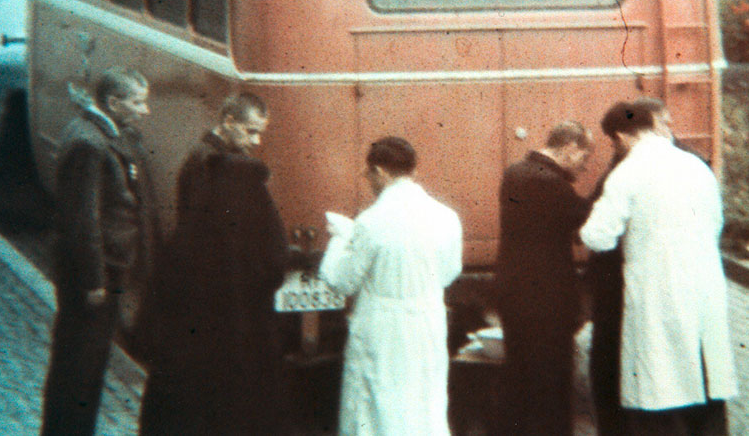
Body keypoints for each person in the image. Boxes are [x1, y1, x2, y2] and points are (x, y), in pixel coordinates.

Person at [136, 92, 292, 435]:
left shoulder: (210, 157)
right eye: (250, 131)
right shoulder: (209, 164)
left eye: (260, 132)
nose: (256, 141)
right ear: (229, 122)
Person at [580, 101, 737, 436]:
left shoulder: (628, 172)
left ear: (622, 136)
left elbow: (597, 237)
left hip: (657, 294)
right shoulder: (696, 166)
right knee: (705, 385)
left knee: (663, 387)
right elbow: (715, 223)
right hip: (704, 288)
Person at [320, 137, 463, 436]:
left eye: (369, 173)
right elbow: (448, 274)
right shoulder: (446, 217)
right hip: (426, 324)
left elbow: (343, 281)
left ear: (381, 172)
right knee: (424, 403)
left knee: (377, 406)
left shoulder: (371, 221)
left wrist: (338, 240)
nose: (368, 180)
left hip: (382, 328)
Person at [40, 67, 152, 435]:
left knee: (86, 364)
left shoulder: (102, 133)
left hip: (106, 269)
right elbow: (83, 221)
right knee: (79, 367)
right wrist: (94, 281)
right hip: (95, 275)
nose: (144, 110)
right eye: (138, 102)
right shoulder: (91, 143)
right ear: (114, 102)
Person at [496, 121, 594, 435]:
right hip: (546, 302)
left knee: (519, 379)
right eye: (583, 158)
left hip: (514, 295)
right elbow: (583, 217)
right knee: (550, 388)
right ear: (570, 148)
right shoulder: (549, 182)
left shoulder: (514, 172)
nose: (582, 167)